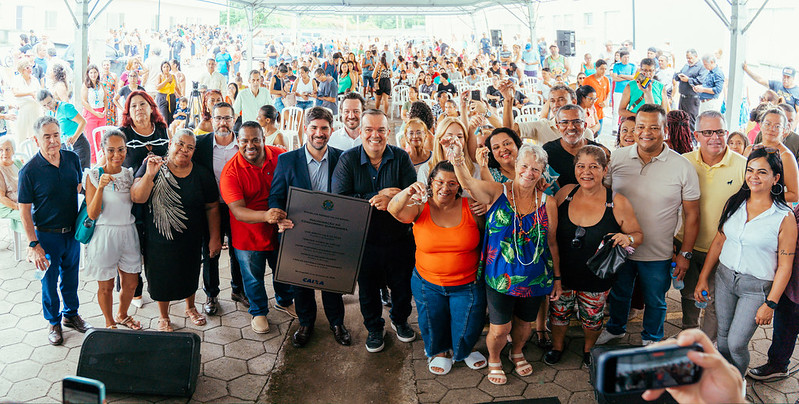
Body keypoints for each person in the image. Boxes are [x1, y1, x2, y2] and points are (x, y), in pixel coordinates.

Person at [449, 141, 561, 385]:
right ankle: (495, 358)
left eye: (535, 169)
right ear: (516, 164)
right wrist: (458, 159)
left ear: (543, 172)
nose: (528, 173)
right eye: (524, 166)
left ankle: (517, 351)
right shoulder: (498, 191)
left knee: (524, 324)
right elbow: (468, 184)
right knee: (500, 328)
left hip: (536, 278)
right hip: (499, 277)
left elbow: (551, 244)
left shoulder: (548, 203)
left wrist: (558, 279)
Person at [598, 104, 701, 346]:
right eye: (641, 127)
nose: (646, 132)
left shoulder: (682, 166)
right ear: (634, 131)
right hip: (621, 248)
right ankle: (615, 329)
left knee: (656, 300)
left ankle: (652, 339)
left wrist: (685, 254)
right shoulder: (618, 158)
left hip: (658, 252)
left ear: (665, 131)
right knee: (619, 295)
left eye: (654, 127)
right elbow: (602, 194)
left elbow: (692, 215)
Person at [694, 147, 797, 375]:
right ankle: (724, 381)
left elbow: (785, 266)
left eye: (762, 172)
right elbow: (719, 241)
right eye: (750, 170)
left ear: (776, 178)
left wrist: (770, 303)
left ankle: (737, 379)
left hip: (756, 288)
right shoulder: (735, 203)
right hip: (724, 278)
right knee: (722, 339)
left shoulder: (784, 217)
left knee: (736, 343)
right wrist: (703, 278)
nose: (754, 176)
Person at [387, 161, 488, 375]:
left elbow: (486, 235)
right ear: (431, 182)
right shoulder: (420, 206)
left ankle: (464, 350)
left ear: (459, 185)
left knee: (468, 323)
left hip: (467, 282)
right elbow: (393, 210)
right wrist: (408, 191)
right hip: (428, 282)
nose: (445, 188)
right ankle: (440, 352)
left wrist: (486, 208)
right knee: (432, 321)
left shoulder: (471, 206)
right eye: (440, 181)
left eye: (452, 183)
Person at [546, 145, 643, 366]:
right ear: (575, 169)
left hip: (596, 277)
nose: (586, 172)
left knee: (592, 318)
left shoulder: (616, 201)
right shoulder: (565, 193)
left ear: (605, 169)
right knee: (558, 314)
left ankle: (589, 349)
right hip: (563, 273)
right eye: (581, 166)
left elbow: (638, 234)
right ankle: (557, 346)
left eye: (593, 166)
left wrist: (627, 239)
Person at [332, 109, 418, 353]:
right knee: (368, 290)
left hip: (399, 238)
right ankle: (374, 328)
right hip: (364, 241)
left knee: (402, 287)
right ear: (360, 132)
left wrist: (395, 195)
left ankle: (400, 320)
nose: (375, 135)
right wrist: (378, 196)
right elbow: (340, 200)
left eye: (380, 130)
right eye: (369, 129)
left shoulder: (400, 157)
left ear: (388, 132)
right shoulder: (348, 160)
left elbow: (412, 194)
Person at [268, 107, 350, 347]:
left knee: (332, 282)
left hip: (331, 233)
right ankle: (306, 323)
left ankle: (337, 323)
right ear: (305, 130)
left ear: (331, 130)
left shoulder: (342, 158)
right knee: (300, 283)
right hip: (297, 232)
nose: (319, 133)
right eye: (314, 127)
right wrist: (279, 218)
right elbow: (276, 196)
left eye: (324, 128)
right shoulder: (287, 160)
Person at [130, 129, 221, 331]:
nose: (184, 150)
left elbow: (212, 206)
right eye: (180, 144)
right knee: (160, 278)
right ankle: (164, 316)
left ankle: (190, 307)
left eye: (190, 147)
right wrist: (149, 176)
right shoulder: (152, 165)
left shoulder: (201, 173)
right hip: (157, 240)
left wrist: (215, 238)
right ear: (170, 143)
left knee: (189, 273)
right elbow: (137, 197)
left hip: (191, 239)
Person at [673, 111, 746, 342]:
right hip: (687, 245)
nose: (715, 137)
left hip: (724, 250)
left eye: (720, 131)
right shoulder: (683, 162)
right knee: (688, 295)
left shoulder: (744, 166)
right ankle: (688, 334)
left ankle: (706, 346)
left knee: (714, 301)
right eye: (707, 132)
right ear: (696, 135)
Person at [19, 116, 92, 345]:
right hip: (47, 236)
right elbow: (24, 212)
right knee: (49, 282)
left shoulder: (71, 158)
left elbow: (79, 187)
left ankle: (71, 315)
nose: (52, 141)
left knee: (70, 277)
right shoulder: (29, 171)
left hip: (71, 233)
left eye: (56, 135)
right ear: (36, 139)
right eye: (47, 137)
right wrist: (33, 245)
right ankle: (53, 321)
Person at [220, 121, 296, 334]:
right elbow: (237, 211)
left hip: (280, 228)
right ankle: (259, 311)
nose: (250, 145)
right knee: (253, 276)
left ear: (264, 139)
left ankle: (284, 300)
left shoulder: (281, 155)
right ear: (238, 142)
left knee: (282, 269)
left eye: (255, 140)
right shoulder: (230, 172)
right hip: (248, 234)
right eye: (244, 141)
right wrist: (266, 215)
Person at [192, 102, 250, 315]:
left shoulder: (244, 143)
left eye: (227, 118)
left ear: (234, 119)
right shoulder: (200, 145)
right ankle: (211, 294)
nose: (222, 123)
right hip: (211, 207)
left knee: (239, 250)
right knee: (210, 251)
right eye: (218, 118)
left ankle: (238, 290)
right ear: (211, 120)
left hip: (238, 206)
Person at [83, 129, 143, 330]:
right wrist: (100, 187)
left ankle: (122, 314)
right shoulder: (93, 174)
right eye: (111, 150)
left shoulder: (129, 174)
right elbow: (92, 213)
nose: (116, 155)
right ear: (102, 150)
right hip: (104, 233)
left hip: (128, 231)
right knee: (106, 286)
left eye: (121, 150)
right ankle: (109, 322)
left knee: (131, 282)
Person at [744, 107, 799, 202]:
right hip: (747, 204)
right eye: (767, 124)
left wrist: (763, 197)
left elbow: (794, 195)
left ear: (784, 130)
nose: (771, 129)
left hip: (772, 207)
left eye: (777, 126)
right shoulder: (750, 150)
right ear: (760, 125)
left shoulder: (786, 156)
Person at [542, 104, 605, 187]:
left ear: (585, 126)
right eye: (565, 122)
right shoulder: (547, 151)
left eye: (576, 122)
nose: (571, 127)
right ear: (558, 127)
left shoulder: (599, 152)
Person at [37, 90, 90, 171]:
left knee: (81, 175)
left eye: (49, 103)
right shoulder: (48, 113)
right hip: (63, 147)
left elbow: (83, 122)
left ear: (53, 97)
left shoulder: (65, 107)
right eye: (44, 105)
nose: (48, 107)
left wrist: (74, 137)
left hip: (78, 144)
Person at [673, 49, 707, 127]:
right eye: (687, 58)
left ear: (696, 56)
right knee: (681, 120)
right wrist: (678, 75)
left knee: (690, 122)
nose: (689, 60)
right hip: (682, 98)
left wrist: (688, 80)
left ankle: (692, 139)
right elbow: (679, 75)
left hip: (692, 99)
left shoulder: (701, 67)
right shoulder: (686, 66)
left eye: (690, 58)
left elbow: (701, 80)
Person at [12, 60, 41, 143]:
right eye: (27, 67)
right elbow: (15, 93)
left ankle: (34, 153)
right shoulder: (17, 79)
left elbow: (38, 93)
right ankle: (21, 155)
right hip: (22, 109)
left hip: (35, 108)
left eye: (30, 67)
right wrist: (30, 93)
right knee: (21, 133)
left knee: (35, 132)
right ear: (22, 70)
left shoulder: (35, 80)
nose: (30, 69)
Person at [0, 138, 23, 234]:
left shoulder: (17, 163)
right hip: (8, 205)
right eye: (1, 150)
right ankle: (34, 243)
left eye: (7, 149)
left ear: (13, 150)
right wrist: (18, 207)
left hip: (24, 200)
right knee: (30, 215)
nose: (4, 153)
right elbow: (1, 197)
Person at [582, 60, 611, 134]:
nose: (604, 71)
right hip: (589, 114)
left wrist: (606, 101)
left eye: (605, 69)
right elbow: (582, 95)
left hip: (600, 112)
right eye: (601, 69)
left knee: (598, 134)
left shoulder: (606, 80)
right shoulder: (588, 80)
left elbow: (608, 92)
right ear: (596, 68)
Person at [610, 50, 635, 126]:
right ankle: (614, 128)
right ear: (620, 58)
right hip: (618, 91)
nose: (626, 59)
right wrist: (628, 78)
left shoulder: (632, 66)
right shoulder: (616, 66)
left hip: (630, 91)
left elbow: (633, 77)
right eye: (624, 57)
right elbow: (615, 78)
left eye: (628, 57)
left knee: (628, 110)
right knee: (616, 110)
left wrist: (622, 76)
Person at [155, 61, 179, 126]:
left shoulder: (173, 76)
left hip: (171, 97)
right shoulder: (160, 76)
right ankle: (164, 133)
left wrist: (181, 96)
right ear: (162, 68)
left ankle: (170, 133)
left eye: (167, 66)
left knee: (171, 117)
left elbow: (176, 87)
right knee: (164, 117)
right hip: (162, 97)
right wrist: (166, 81)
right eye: (164, 67)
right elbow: (157, 87)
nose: (166, 68)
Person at [99, 60, 118, 126]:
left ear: (110, 65)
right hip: (103, 99)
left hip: (112, 98)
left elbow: (116, 89)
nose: (106, 67)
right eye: (104, 65)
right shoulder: (100, 76)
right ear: (102, 66)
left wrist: (117, 99)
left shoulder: (114, 75)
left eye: (107, 65)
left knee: (112, 115)